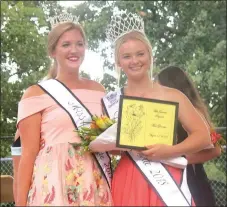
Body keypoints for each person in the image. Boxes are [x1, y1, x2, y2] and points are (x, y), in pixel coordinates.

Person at [102, 12, 211, 206]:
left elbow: (203, 136)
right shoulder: (112, 101)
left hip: (167, 178)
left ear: (150, 56)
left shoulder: (172, 95)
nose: (134, 61)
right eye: (126, 56)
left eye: (140, 54)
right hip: (129, 178)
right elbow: (112, 149)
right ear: (118, 62)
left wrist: (171, 150)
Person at [14, 13, 113, 206]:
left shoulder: (99, 90)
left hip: (94, 182)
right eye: (66, 44)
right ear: (53, 51)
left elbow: (109, 140)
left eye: (79, 44)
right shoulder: (35, 94)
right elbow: (27, 154)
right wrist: (20, 203)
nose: (74, 50)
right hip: (53, 184)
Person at [156, 66, 221, 206]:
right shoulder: (166, 112)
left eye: (160, 87)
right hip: (174, 180)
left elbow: (217, 148)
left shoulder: (194, 112)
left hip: (192, 183)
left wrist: (178, 157)